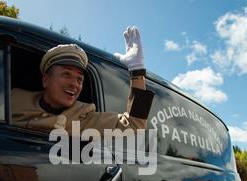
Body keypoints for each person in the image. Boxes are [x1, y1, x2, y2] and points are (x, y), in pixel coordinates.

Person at [12, 26, 154, 135]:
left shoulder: (83, 118)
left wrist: (137, 71)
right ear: (45, 79)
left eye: (79, 79)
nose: (74, 84)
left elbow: (134, 124)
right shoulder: (13, 99)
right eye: (66, 74)